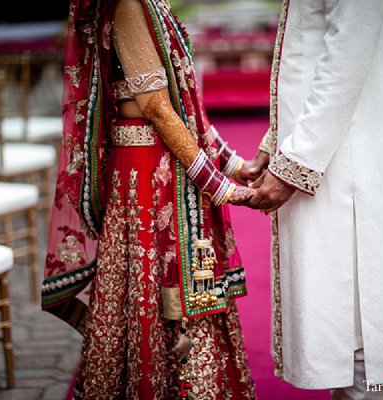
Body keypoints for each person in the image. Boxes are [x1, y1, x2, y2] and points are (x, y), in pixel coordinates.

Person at [42, 0, 256, 398]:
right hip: (144, 177)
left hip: (169, 166)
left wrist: (233, 164)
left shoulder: (154, 3)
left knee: (187, 286)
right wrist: (218, 184)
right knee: (152, 296)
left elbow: (187, 108)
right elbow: (157, 108)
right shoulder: (127, 4)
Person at [237, 0, 383, 399]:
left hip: (341, 160)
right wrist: (276, 144)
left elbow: (346, 55)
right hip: (327, 153)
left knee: (355, 322)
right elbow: (310, 51)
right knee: (339, 323)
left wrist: (295, 162)